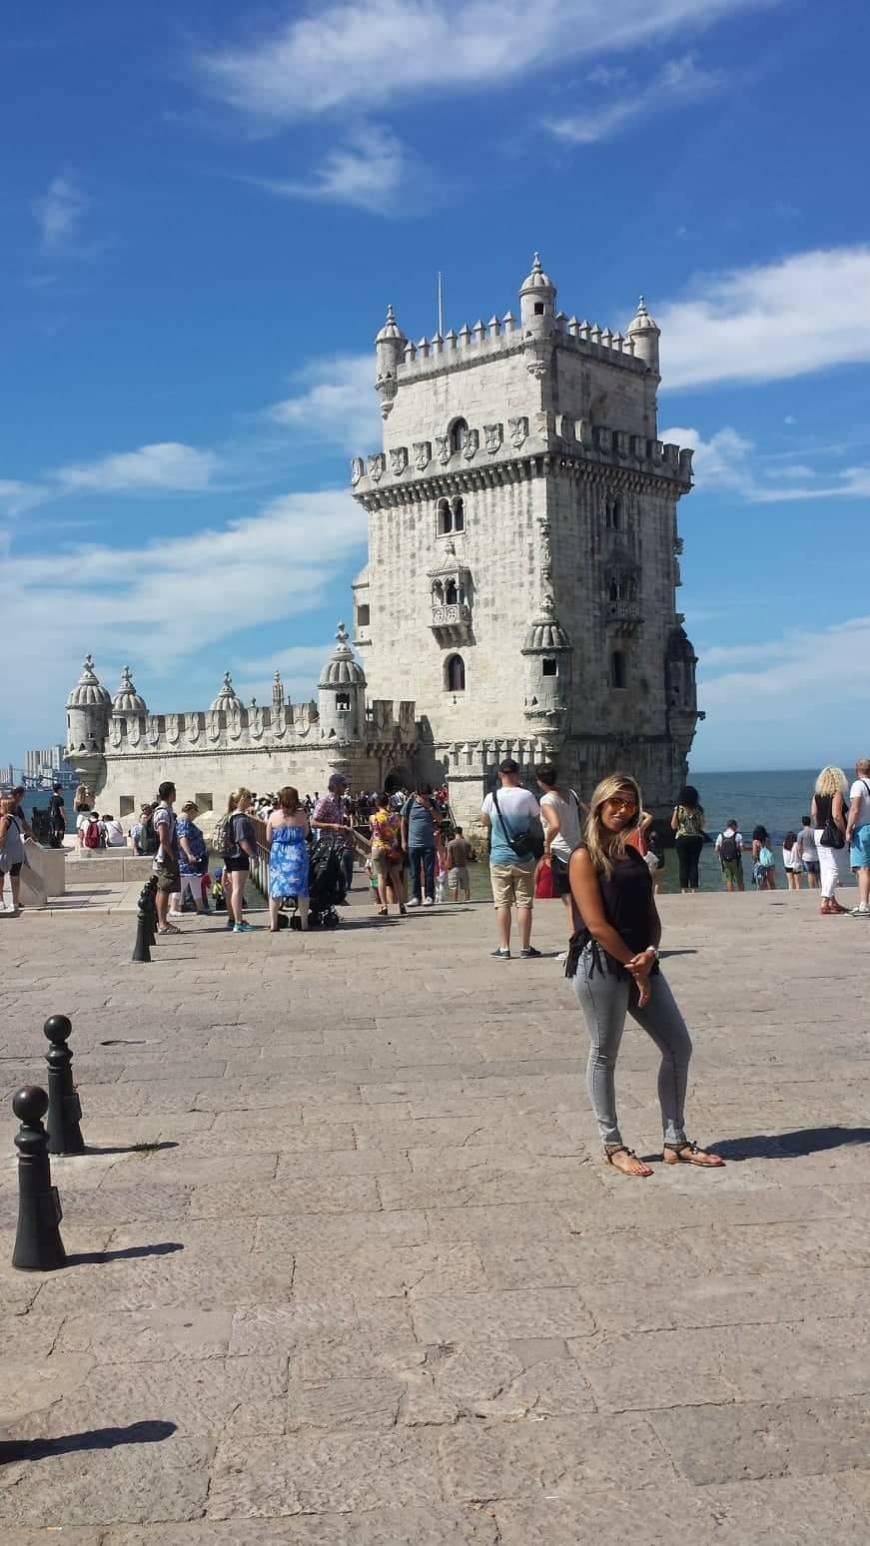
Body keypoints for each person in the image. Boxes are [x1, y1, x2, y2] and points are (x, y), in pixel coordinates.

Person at [566, 771, 724, 1178]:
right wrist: (635, 968)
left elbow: (651, 915)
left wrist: (650, 953)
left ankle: (675, 1140)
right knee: (604, 1053)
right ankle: (613, 1143)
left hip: (642, 962)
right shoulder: (584, 856)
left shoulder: (634, 855)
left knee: (678, 1046)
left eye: (630, 803)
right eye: (615, 802)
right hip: (600, 965)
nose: (623, 810)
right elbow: (596, 925)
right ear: (598, 806)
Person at [480, 759, 542, 960]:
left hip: (499, 857)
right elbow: (537, 816)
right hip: (524, 856)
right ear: (518, 773)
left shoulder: (492, 797)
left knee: (502, 903)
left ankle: (504, 948)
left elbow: (484, 820)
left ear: (500, 774)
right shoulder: (526, 796)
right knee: (524, 903)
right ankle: (525, 947)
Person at [536, 765, 583, 947]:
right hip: (578, 849)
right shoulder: (571, 793)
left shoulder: (546, 800)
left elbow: (555, 825)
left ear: (540, 782)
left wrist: (546, 843)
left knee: (569, 901)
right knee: (580, 898)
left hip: (562, 854)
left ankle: (575, 943)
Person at [266, 786, 310, 932]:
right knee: (302, 889)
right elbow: (305, 833)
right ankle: (304, 923)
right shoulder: (302, 815)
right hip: (297, 853)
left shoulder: (273, 816)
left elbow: (268, 838)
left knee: (276, 889)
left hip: (279, 855)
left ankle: (274, 924)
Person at [811, 767, 848, 916]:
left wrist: (820, 825)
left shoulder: (816, 795)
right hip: (832, 833)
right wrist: (845, 832)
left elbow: (814, 813)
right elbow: (837, 816)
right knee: (834, 869)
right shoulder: (836, 794)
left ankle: (832, 900)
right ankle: (825, 900)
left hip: (819, 832)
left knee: (826, 868)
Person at [312, 775, 355, 898]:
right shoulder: (324, 801)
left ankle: (331, 906)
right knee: (328, 877)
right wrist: (332, 826)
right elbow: (313, 823)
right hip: (326, 845)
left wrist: (348, 832)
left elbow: (340, 823)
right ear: (335, 786)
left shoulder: (341, 802)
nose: (346, 788)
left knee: (337, 878)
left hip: (339, 845)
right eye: (344, 785)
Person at [222, 787, 258, 933]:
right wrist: (253, 855)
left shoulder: (230, 816)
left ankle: (233, 919)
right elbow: (242, 840)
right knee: (238, 889)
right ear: (243, 799)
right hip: (239, 857)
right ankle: (238, 922)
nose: (251, 801)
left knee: (231, 890)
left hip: (230, 857)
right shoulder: (240, 819)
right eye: (249, 798)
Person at [368, 791, 406, 917]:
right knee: (396, 878)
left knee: (381, 877)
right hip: (393, 849)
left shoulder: (374, 818)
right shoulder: (395, 817)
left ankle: (384, 906)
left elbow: (373, 832)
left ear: (377, 803)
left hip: (378, 847)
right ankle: (401, 905)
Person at [402, 784, 438, 908]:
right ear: (418, 794)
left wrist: (430, 808)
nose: (425, 798)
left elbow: (439, 819)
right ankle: (415, 897)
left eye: (427, 796)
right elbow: (403, 821)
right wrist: (403, 840)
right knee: (414, 872)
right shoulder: (410, 804)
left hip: (429, 843)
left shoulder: (432, 803)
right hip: (413, 843)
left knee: (429, 872)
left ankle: (429, 896)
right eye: (423, 796)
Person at [153, 781, 182, 934]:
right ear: (171, 793)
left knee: (162, 889)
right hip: (165, 857)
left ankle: (162, 920)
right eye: (174, 791)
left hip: (164, 856)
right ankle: (162, 923)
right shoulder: (163, 813)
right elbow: (164, 838)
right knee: (164, 889)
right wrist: (172, 856)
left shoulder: (167, 811)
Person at [170, 801, 208, 918]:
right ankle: (174, 907)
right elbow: (183, 838)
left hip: (192, 859)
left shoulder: (182, 821)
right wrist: (189, 854)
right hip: (187, 859)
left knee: (195, 881)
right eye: (196, 813)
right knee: (182, 883)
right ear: (191, 811)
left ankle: (200, 908)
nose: (196, 816)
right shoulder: (184, 822)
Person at [846, 757, 870, 918]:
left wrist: (848, 829)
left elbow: (854, 810)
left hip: (863, 829)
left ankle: (863, 904)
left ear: (857, 771)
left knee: (863, 869)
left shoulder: (858, 785)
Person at [670, 785, 705, 893]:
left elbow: (674, 826)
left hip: (682, 838)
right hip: (696, 839)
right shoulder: (699, 809)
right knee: (694, 864)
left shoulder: (679, 809)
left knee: (683, 864)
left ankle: (684, 890)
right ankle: (694, 889)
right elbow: (702, 826)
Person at [0, 793, 28, 913]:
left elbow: (1, 837)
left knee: (0, 877)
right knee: (15, 877)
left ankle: (1, 902)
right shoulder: (18, 819)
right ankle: (15, 902)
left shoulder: (4, 819)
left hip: (6, 852)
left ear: (4, 807)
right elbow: (24, 830)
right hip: (18, 850)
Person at [715, 819, 744, 892]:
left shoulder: (720, 835)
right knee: (739, 879)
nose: (737, 827)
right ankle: (742, 896)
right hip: (735, 860)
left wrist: (723, 852)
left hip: (724, 860)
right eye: (736, 826)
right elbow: (742, 848)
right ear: (733, 826)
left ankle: (731, 896)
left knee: (728, 879)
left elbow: (716, 849)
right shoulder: (737, 835)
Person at [446, 825, 473, 903]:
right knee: (466, 887)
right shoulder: (467, 843)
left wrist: (448, 867)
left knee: (454, 887)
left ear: (454, 833)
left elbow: (449, 857)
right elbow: (470, 856)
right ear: (462, 832)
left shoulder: (451, 843)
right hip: (464, 866)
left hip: (454, 867)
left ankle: (455, 902)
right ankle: (467, 901)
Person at [795, 816, 820, 890]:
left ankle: (812, 888)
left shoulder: (800, 834)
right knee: (817, 874)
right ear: (810, 822)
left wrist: (800, 855)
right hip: (816, 855)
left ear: (802, 823)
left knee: (810, 873)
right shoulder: (815, 832)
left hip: (806, 856)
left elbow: (799, 847)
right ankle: (819, 888)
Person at [48, 783, 66, 848]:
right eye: (61, 789)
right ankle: (59, 843)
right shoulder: (60, 799)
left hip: (52, 817)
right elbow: (61, 810)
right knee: (61, 830)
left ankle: (55, 842)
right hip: (59, 817)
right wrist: (65, 819)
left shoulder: (51, 798)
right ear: (58, 790)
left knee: (55, 830)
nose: (62, 790)